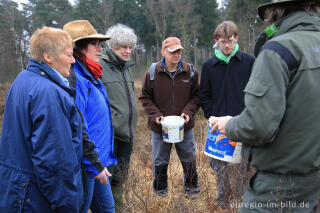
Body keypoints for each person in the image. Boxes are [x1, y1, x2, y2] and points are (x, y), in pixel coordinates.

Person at [210, 0, 320, 212]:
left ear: (275, 12)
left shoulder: (277, 50)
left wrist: (230, 125)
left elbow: (259, 125)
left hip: (282, 183)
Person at [0, 27, 84, 212]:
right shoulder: (48, 93)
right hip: (36, 198)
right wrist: (68, 206)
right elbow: (55, 161)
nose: (73, 60)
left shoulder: (22, 80)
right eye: (69, 55)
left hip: (17, 192)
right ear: (48, 57)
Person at [199, 21, 255, 211]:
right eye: (223, 42)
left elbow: (255, 92)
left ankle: (240, 202)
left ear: (236, 38)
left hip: (242, 125)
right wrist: (211, 115)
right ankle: (223, 201)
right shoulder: (208, 66)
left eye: (230, 41)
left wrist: (249, 116)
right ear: (216, 41)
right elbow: (203, 95)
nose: (227, 45)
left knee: (241, 167)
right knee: (221, 168)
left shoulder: (249, 62)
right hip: (217, 126)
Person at [63, 20, 117, 213]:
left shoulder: (90, 74)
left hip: (97, 164)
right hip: (87, 165)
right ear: (80, 48)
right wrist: (92, 163)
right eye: (96, 44)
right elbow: (77, 125)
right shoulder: (75, 78)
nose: (101, 48)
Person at [139, 37, 200, 199]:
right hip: (160, 127)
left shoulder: (190, 72)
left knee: (189, 158)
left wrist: (188, 112)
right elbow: (144, 97)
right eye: (172, 52)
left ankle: (192, 192)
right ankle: (160, 194)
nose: (177, 55)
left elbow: (197, 96)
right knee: (160, 161)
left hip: (184, 126)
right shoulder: (153, 73)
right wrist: (156, 116)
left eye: (179, 51)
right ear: (163, 52)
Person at [99, 23, 138, 212]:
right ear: (112, 46)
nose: (128, 51)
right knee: (105, 182)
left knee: (120, 181)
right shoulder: (100, 66)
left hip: (127, 136)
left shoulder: (126, 67)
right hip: (110, 138)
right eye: (124, 47)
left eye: (130, 47)